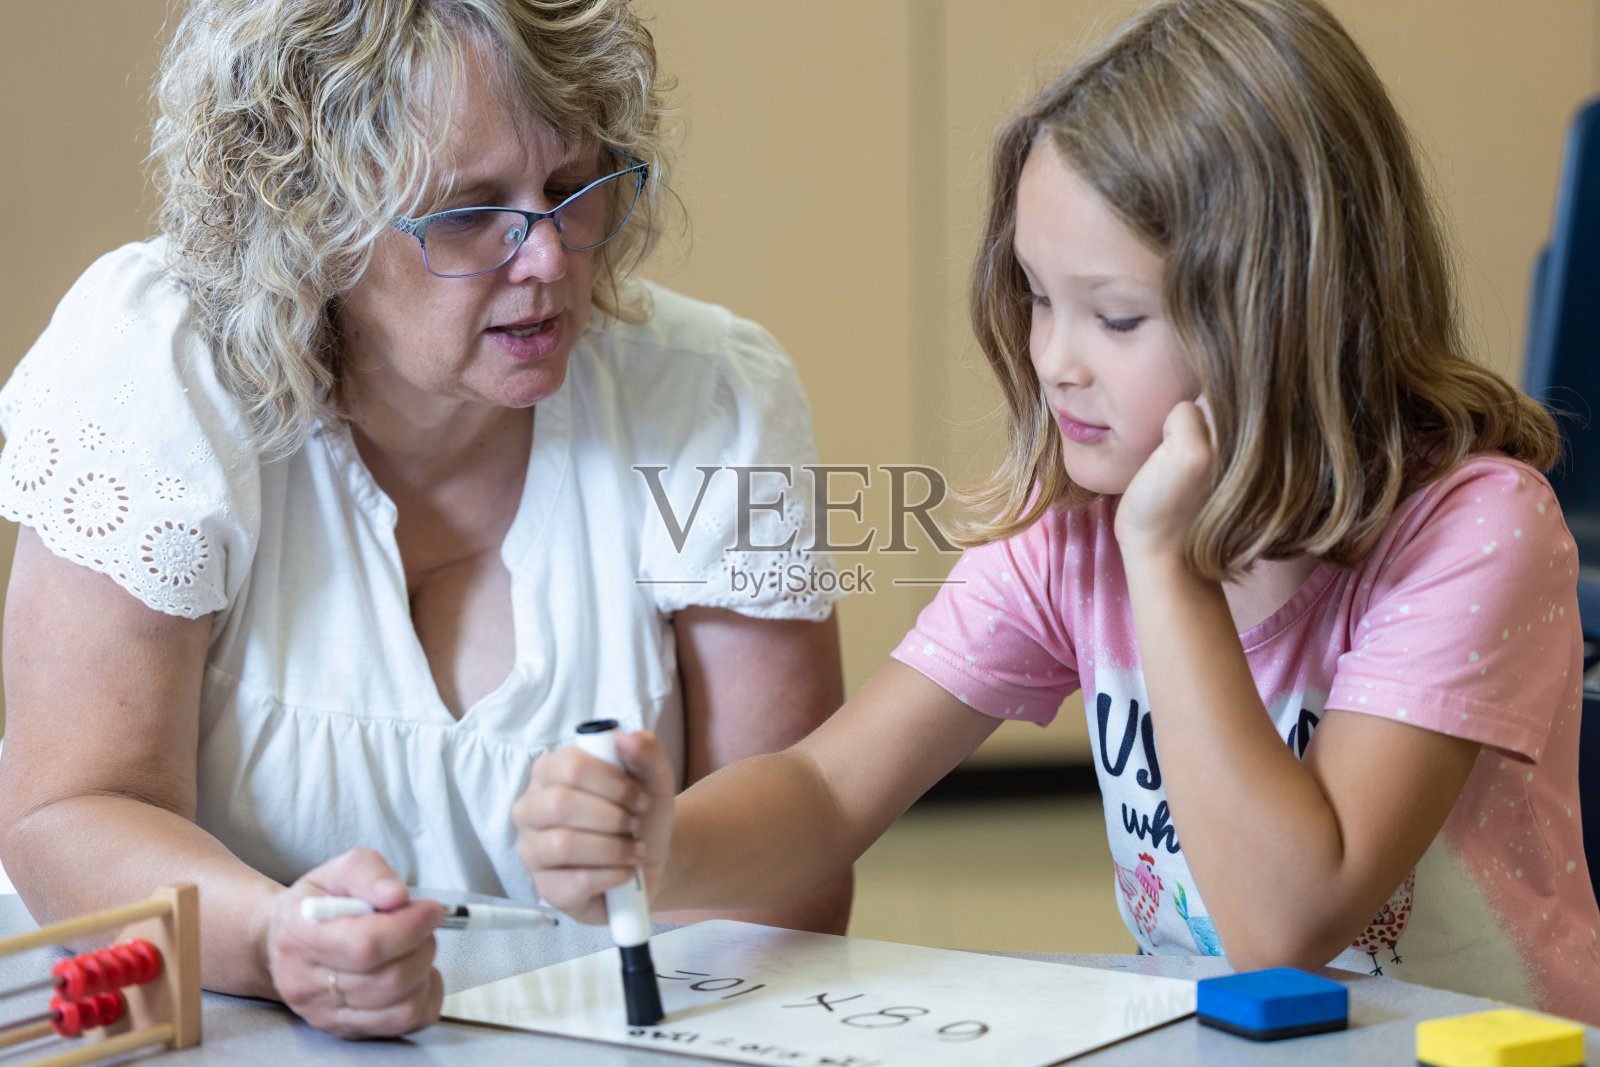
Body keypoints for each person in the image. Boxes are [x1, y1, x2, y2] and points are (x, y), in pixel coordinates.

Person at [518, 0, 1600, 1025]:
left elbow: (1286, 923)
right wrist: (660, 839)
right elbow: (827, 788)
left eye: (1115, 315)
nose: (1052, 361)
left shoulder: (1473, 532)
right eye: (1037, 295)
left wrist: (1165, 565)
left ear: (1285, 314)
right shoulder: (1074, 533)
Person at [0, 0, 851, 1040]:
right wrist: (278, 938)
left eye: (569, 187)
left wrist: (663, 846)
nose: (544, 258)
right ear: (312, 224)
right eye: (466, 209)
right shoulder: (161, 370)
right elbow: (66, 810)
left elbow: (796, 888)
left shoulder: (712, 396)